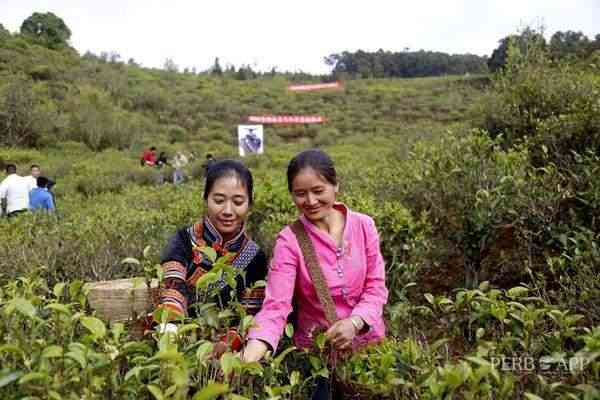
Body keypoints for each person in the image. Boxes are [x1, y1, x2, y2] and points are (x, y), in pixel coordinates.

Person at [242, 149, 388, 399]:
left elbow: (376, 287)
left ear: (335, 186)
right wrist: (248, 357)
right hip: (318, 360)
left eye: (318, 191)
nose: (310, 201)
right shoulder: (290, 241)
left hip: (369, 350)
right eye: (300, 194)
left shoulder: (364, 226)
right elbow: (276, 306)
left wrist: (355, 322)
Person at [155, 160, 268, 337]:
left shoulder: (255, 257)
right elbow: (173, 286)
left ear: (249, 203)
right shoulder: (183, 240)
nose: (228, 211)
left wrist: (227, 344)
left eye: (238, 202)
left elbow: (249, 315)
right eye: (219, 200)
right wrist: (172, 328)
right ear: (206, 198)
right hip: (180, 338)